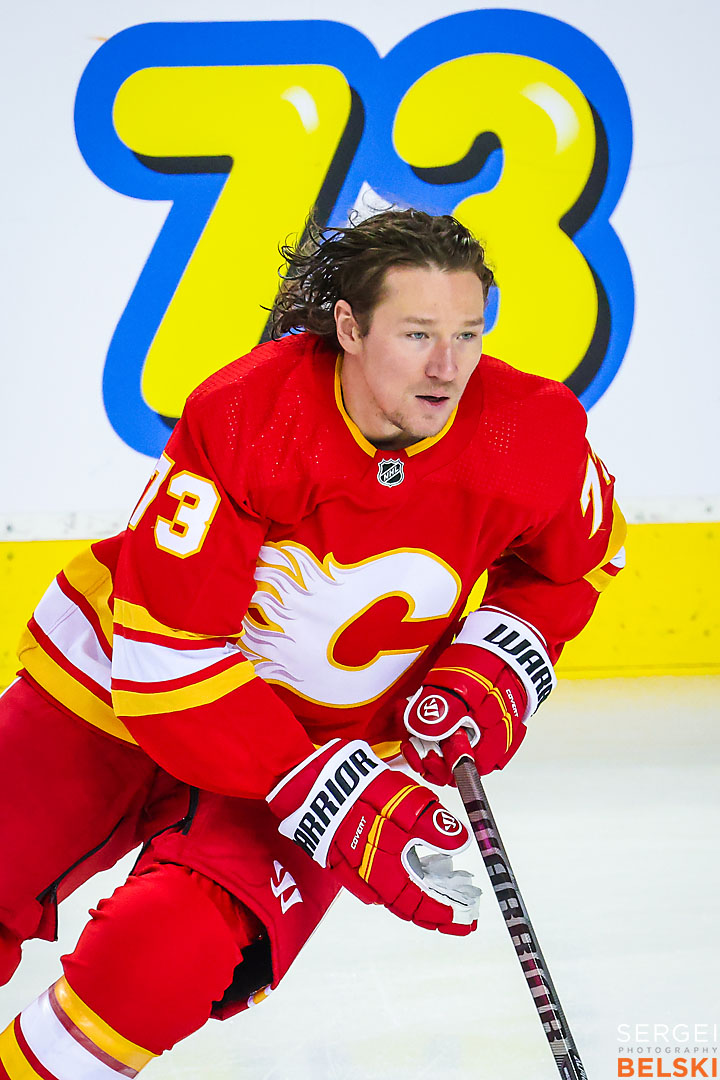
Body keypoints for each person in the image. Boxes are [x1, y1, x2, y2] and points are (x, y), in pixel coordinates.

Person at [0, 209, 625, 1076]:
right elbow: (168, 662)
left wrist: (497, 662)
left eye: (467, 334)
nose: (448, 367)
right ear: (349, 327)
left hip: (323, 743)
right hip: (114, 692)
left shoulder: (529, 431)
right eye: (417, 334)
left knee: (159, 962)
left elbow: (582, 562)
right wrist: (334, 798)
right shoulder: (251, 415)